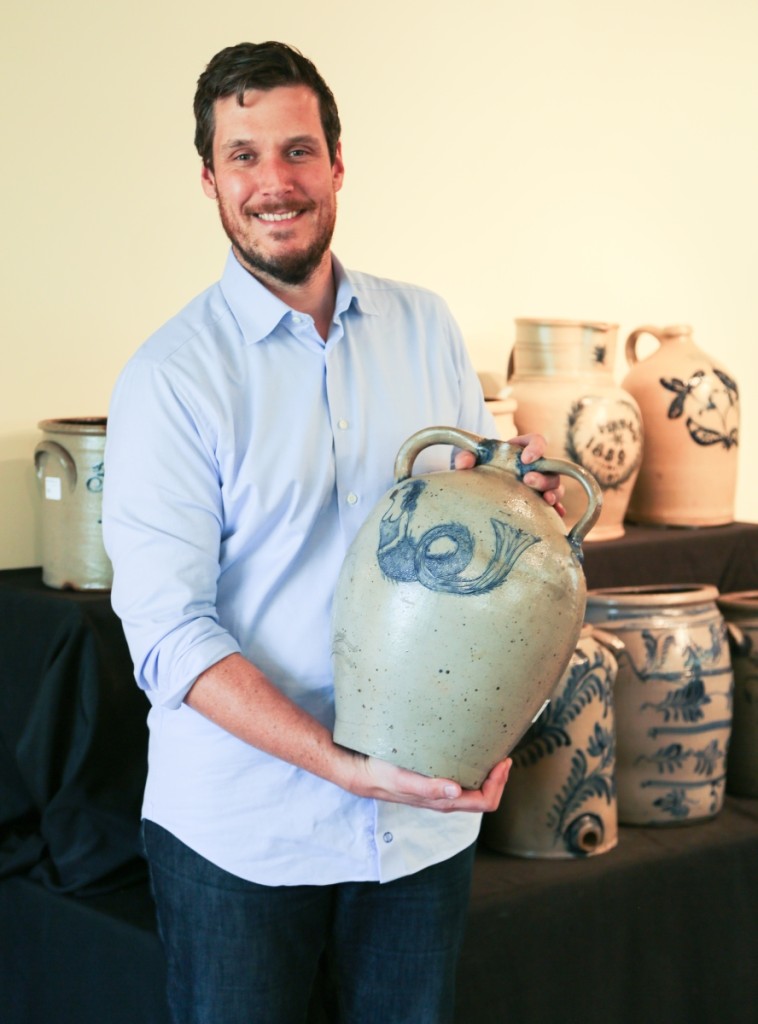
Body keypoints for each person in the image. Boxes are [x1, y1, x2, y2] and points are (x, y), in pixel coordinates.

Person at [102, 40, 564, 1024]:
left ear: (338, 164)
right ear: (209, 179)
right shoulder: (169, 378)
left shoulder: (426, 327)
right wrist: (337, 761)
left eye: (298, 151)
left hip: (416, 829)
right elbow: (167, 634)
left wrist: (521, 498)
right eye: (244, 155)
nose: (275, 182)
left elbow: (467, 542)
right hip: (243, 835)